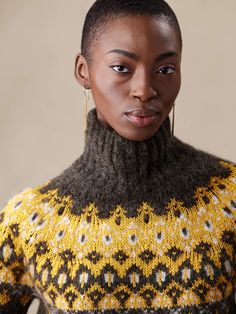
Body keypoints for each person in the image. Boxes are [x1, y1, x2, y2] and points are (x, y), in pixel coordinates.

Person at [0, 0, 235, 313]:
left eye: (165, 69)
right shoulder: (30, 221)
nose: (144, 89)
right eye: (122, 68)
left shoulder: (228, 199)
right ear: (83, 71)